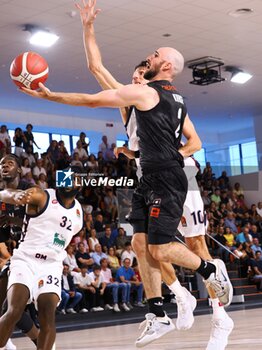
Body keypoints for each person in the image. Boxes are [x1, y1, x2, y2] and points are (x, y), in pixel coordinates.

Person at [21, 11, 233, 350]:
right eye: (136, 71)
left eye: (145, 66)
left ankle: (215, 297)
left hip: (178, 175)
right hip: (148, 175)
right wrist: (88, 27)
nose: (138, 71)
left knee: (184, 246)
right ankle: (162, 308)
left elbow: (194, 142)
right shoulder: (138, 99)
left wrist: (47, 97)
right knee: (140, 245)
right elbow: (96, 68)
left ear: (156, 72)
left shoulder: (146, 94)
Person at [0, 167, 83, 350]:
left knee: (48, 317)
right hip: (26, 259)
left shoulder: (78, 214)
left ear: (80, 184)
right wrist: (16, 197)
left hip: (51, 265)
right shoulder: (41, 195)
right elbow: (9, 193)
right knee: (14, 310)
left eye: (74, 179)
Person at [0, 154, 40, 350]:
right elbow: (2, 235)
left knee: (12, 308)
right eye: (2, 164)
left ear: (18, 170)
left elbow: (41, 223)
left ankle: (42, 341)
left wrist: (15, 221)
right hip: (20, 255)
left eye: (10, 163)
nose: (5, 166)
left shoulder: (31, 191)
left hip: (40, 254)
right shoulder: (1, 199)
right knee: (9, 307)